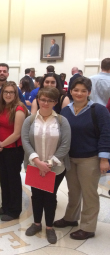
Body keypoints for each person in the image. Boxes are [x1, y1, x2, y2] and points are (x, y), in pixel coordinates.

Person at [54, 77, 110, 240]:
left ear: (89, 92)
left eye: (83, 91)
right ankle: (71, 218)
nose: (79, 93)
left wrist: (104, 158)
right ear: (70, 91)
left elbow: (106, 133)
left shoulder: (98, 110)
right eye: (76, 90)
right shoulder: (65, 111)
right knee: (74, 191)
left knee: (89, 193)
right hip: (70, 158)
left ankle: (88, 227)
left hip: (90, 158)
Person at [21, 87, 71, 244]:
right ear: (38, 100)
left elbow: (65, 145)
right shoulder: (29, 120)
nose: (46, 103)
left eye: (50, 100)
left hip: (55, 168)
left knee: (50, 197)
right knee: (36, 196)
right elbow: (25, 141)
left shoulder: (62, 121)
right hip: (34, 166)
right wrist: (37, 162)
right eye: (42, 99)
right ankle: (36, 224)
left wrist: (48, 164)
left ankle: (49, 227)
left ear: (55, 102)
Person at [0, 81, 28, 221]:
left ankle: (14, 210)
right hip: (2, 148)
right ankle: (5, 206)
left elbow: (17, 133)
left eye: (11, 92)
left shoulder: (19, 109)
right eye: (5, 92)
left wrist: (1, 144)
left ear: (16, 94)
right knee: (4, 179)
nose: (8, 94)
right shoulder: (2, 106)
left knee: (13, 179)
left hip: (13, 150)